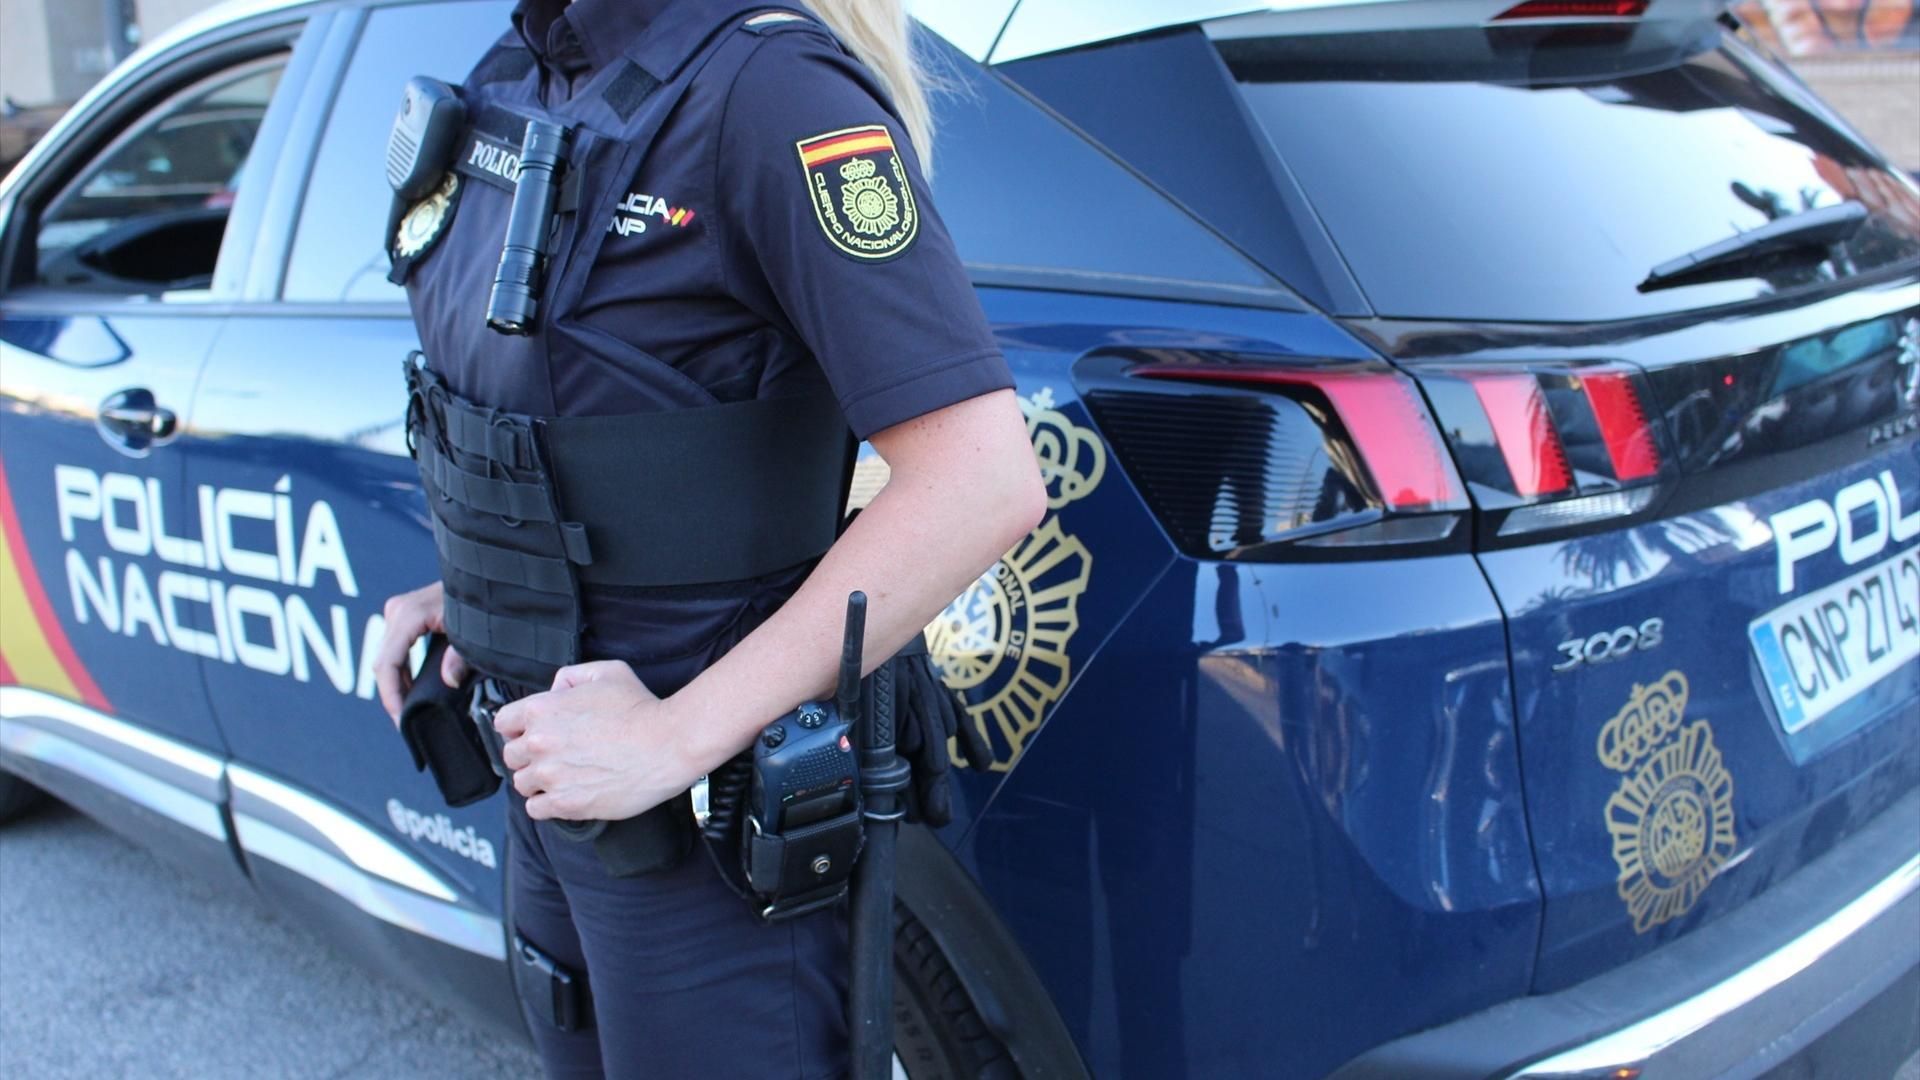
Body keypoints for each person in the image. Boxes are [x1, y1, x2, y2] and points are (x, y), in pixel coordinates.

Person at [371, 0, 1043, 1074]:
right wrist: (486, 583)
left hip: (704, 832)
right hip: (558, 777)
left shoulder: (770, 91)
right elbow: (596, 425)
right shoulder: (529, 65)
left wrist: (674, 739)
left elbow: (982, 481)